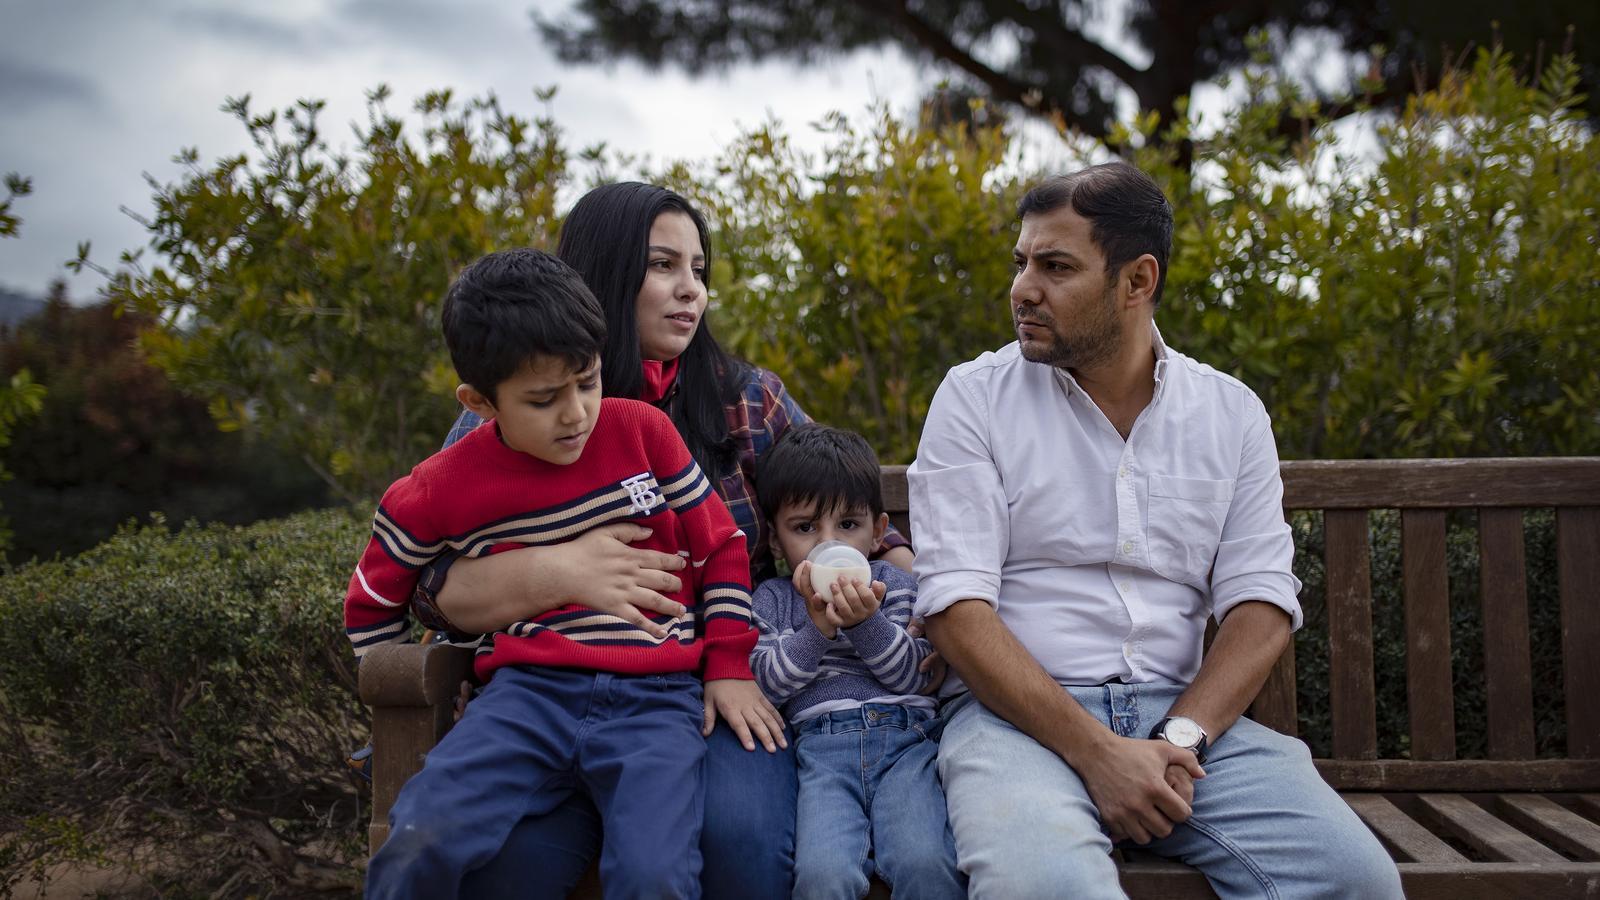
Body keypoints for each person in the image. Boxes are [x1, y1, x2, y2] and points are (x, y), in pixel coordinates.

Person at [909, 162, 1404, 898]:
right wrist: (1098, 753)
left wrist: (1177, 738)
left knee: (1355, 880)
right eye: (1022, 263)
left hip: (1190, 730)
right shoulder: (975, 399)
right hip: (1018, 724)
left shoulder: (1229, 415)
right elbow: (955, 608)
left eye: (1055, 266)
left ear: (1138, 281)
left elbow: (1261, 604)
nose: (1022, 289)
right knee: (1048, 887)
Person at [412, 182, 912, 899]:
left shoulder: (745, 399)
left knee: (738, 839)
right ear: (606, 273)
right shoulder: (518, 400)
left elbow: (858, 522)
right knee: (502, 859)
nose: (691, 291)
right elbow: (430, 588)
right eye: (662, 266)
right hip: (547, 686)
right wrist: (562, 571)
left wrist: (918, 602)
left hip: (711, 681)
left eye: (700, 271)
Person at [350, 248, 773, 897]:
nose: (576, 413)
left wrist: (728, 664)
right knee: (421, 838)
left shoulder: (643, 432)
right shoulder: (441, 486)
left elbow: (721, 546)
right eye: (545, 400)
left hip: (656, 703)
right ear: (480, 402)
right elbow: (378, 590)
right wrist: (392, 671)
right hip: (527, 696)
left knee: (655, 874)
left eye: (588, 381)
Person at [748, 425, 964, 900]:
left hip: (908, 746)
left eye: (848, 525)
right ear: (778, 543)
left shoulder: (898, 588)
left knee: (927, 864)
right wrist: (817, 631)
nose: (830, 545)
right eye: (805, 528)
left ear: (877, 532)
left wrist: (867, 624)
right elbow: (766, 686)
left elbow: (919, 674)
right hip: (821, 758)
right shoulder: (772, 600)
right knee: (823, 877)